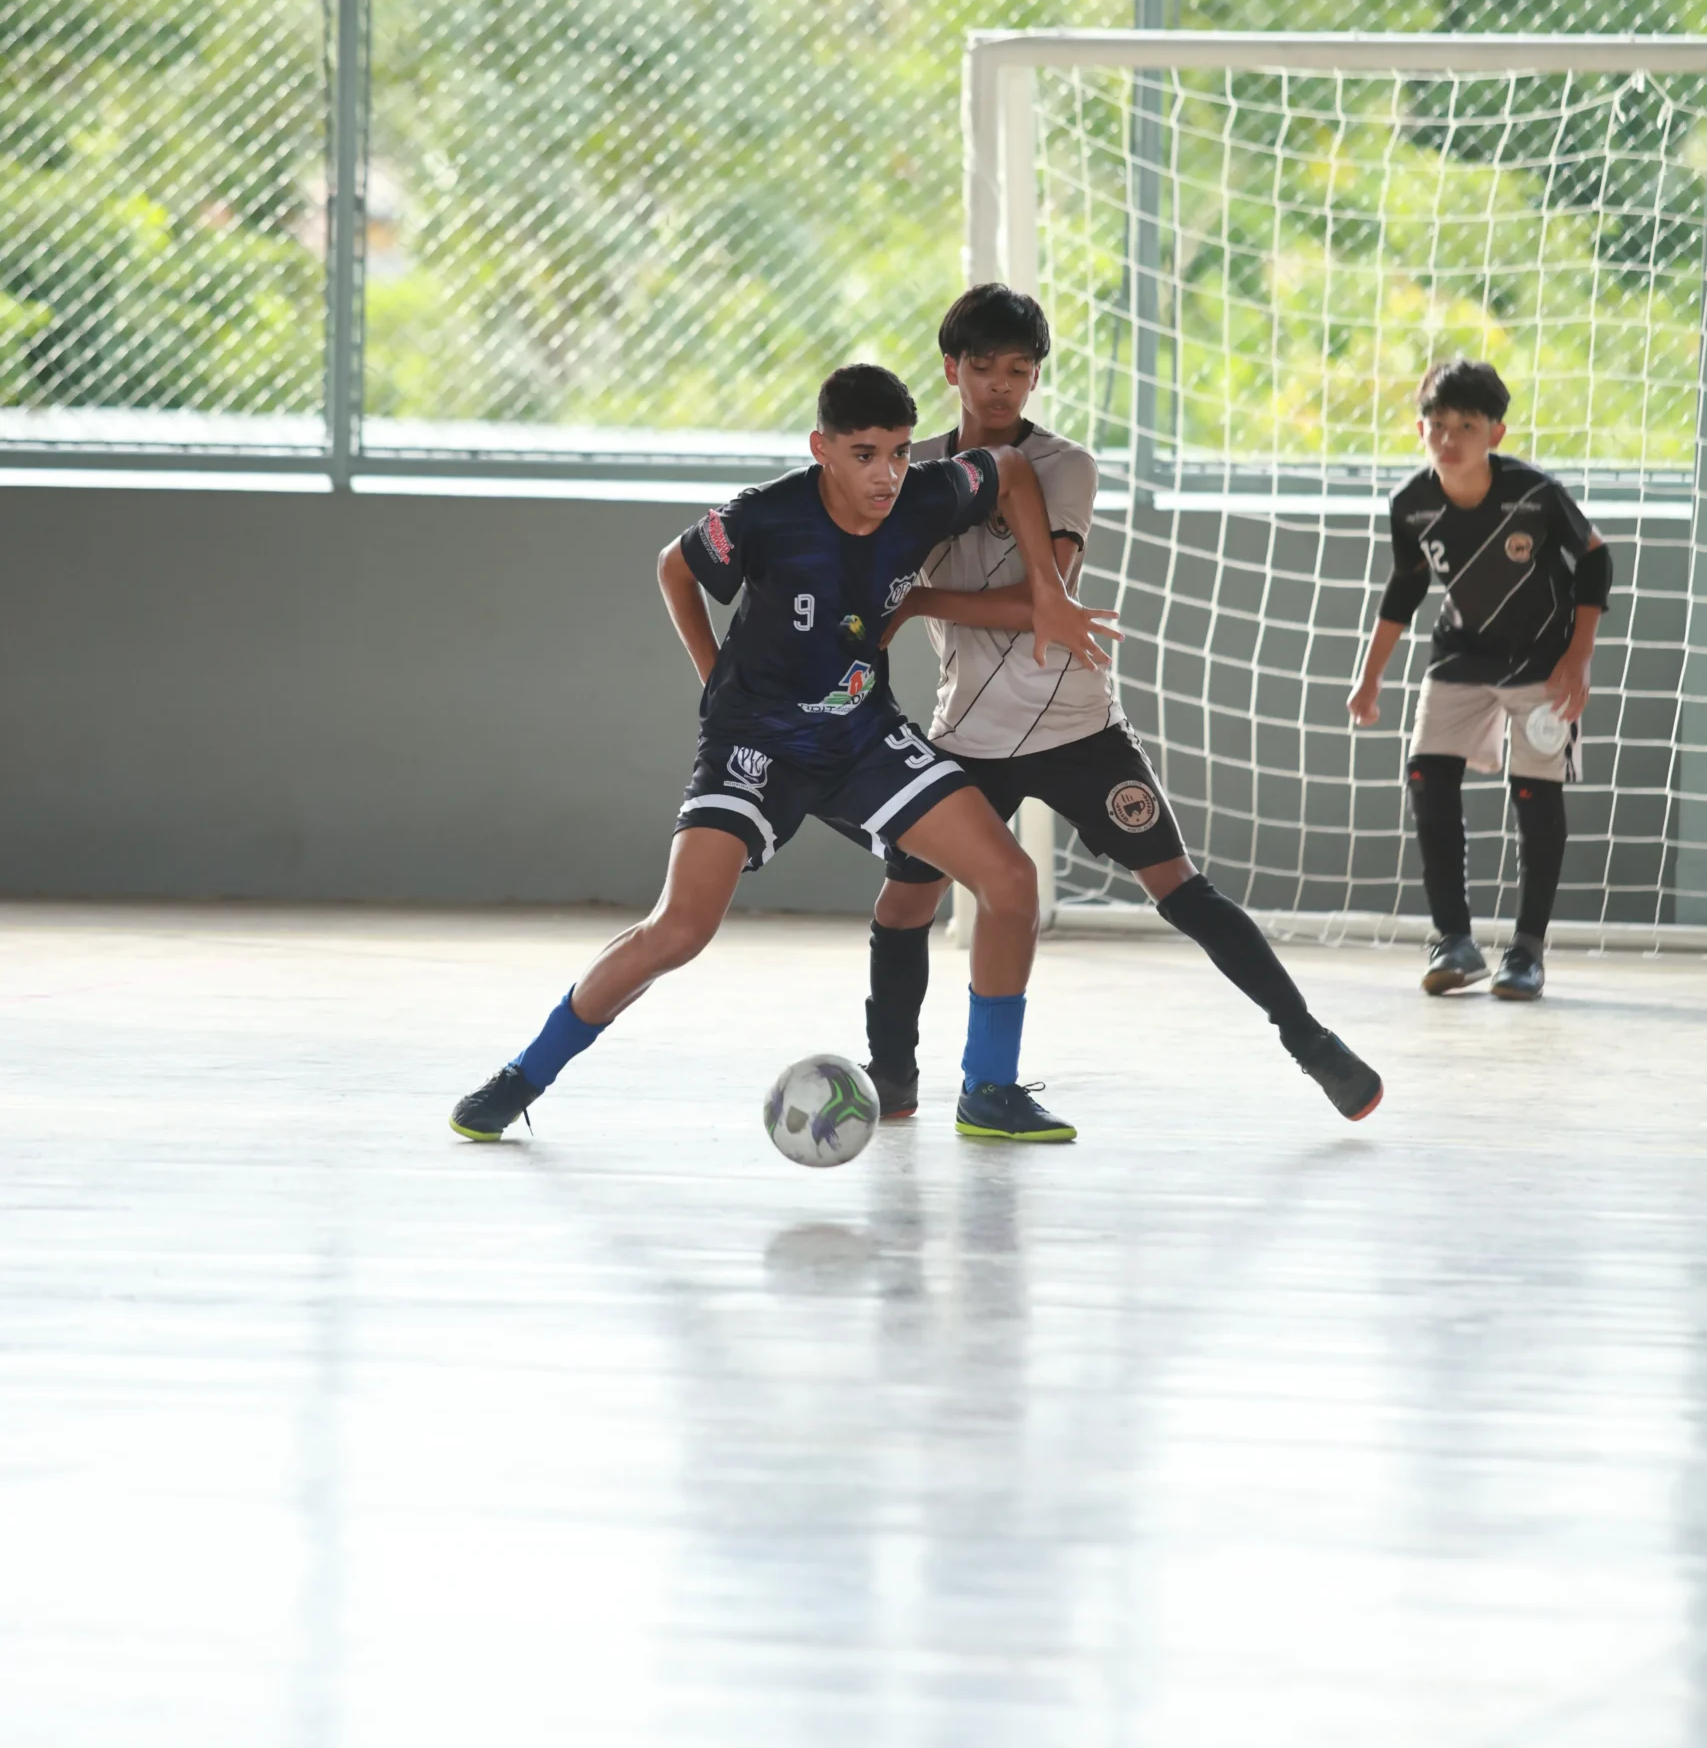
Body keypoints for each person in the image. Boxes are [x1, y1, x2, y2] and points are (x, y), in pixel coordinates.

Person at [450, 360, 1113, 1146]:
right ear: (821, 448)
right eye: (864, 453)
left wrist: (1047, 590)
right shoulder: (768, 516)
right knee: (682, 928)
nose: (887, 473)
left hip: (860, 734)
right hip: (754, 742)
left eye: (900, 451)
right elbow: (674, 566)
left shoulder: (927, 493)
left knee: (1009, 880)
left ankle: (989, 1092)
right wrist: (713, 682)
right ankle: (524, 1075)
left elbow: (1006, 468)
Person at [863, 284, 1385, 1124]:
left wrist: (920, 603)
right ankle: (893, 1075)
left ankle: (1309, 1040)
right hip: (962, 733)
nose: (1001, 385)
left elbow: (1051, 603)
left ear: (1036, 378)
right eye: (985, 369)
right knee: (905, 900)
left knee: (1178, 886)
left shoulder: (1063, 465)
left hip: (1075, 724)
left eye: (1020, 371)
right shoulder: (909, 465)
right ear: (951, 368)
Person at [1348, 357, 1612, 999]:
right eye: (1437, 424)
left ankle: (1526, 951)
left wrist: (1578, 655)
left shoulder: (1534, 494)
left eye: (1466, 424)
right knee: (1426, 774)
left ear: (1494, 433)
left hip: (1542, 664)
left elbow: (1596, 560)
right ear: (1420, 430)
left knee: (1535, 793)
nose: (1449, 437)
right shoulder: (1410, 505)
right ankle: (1454, 941)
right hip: (1461, 654)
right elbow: (1405, 588)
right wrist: (1370, 677)